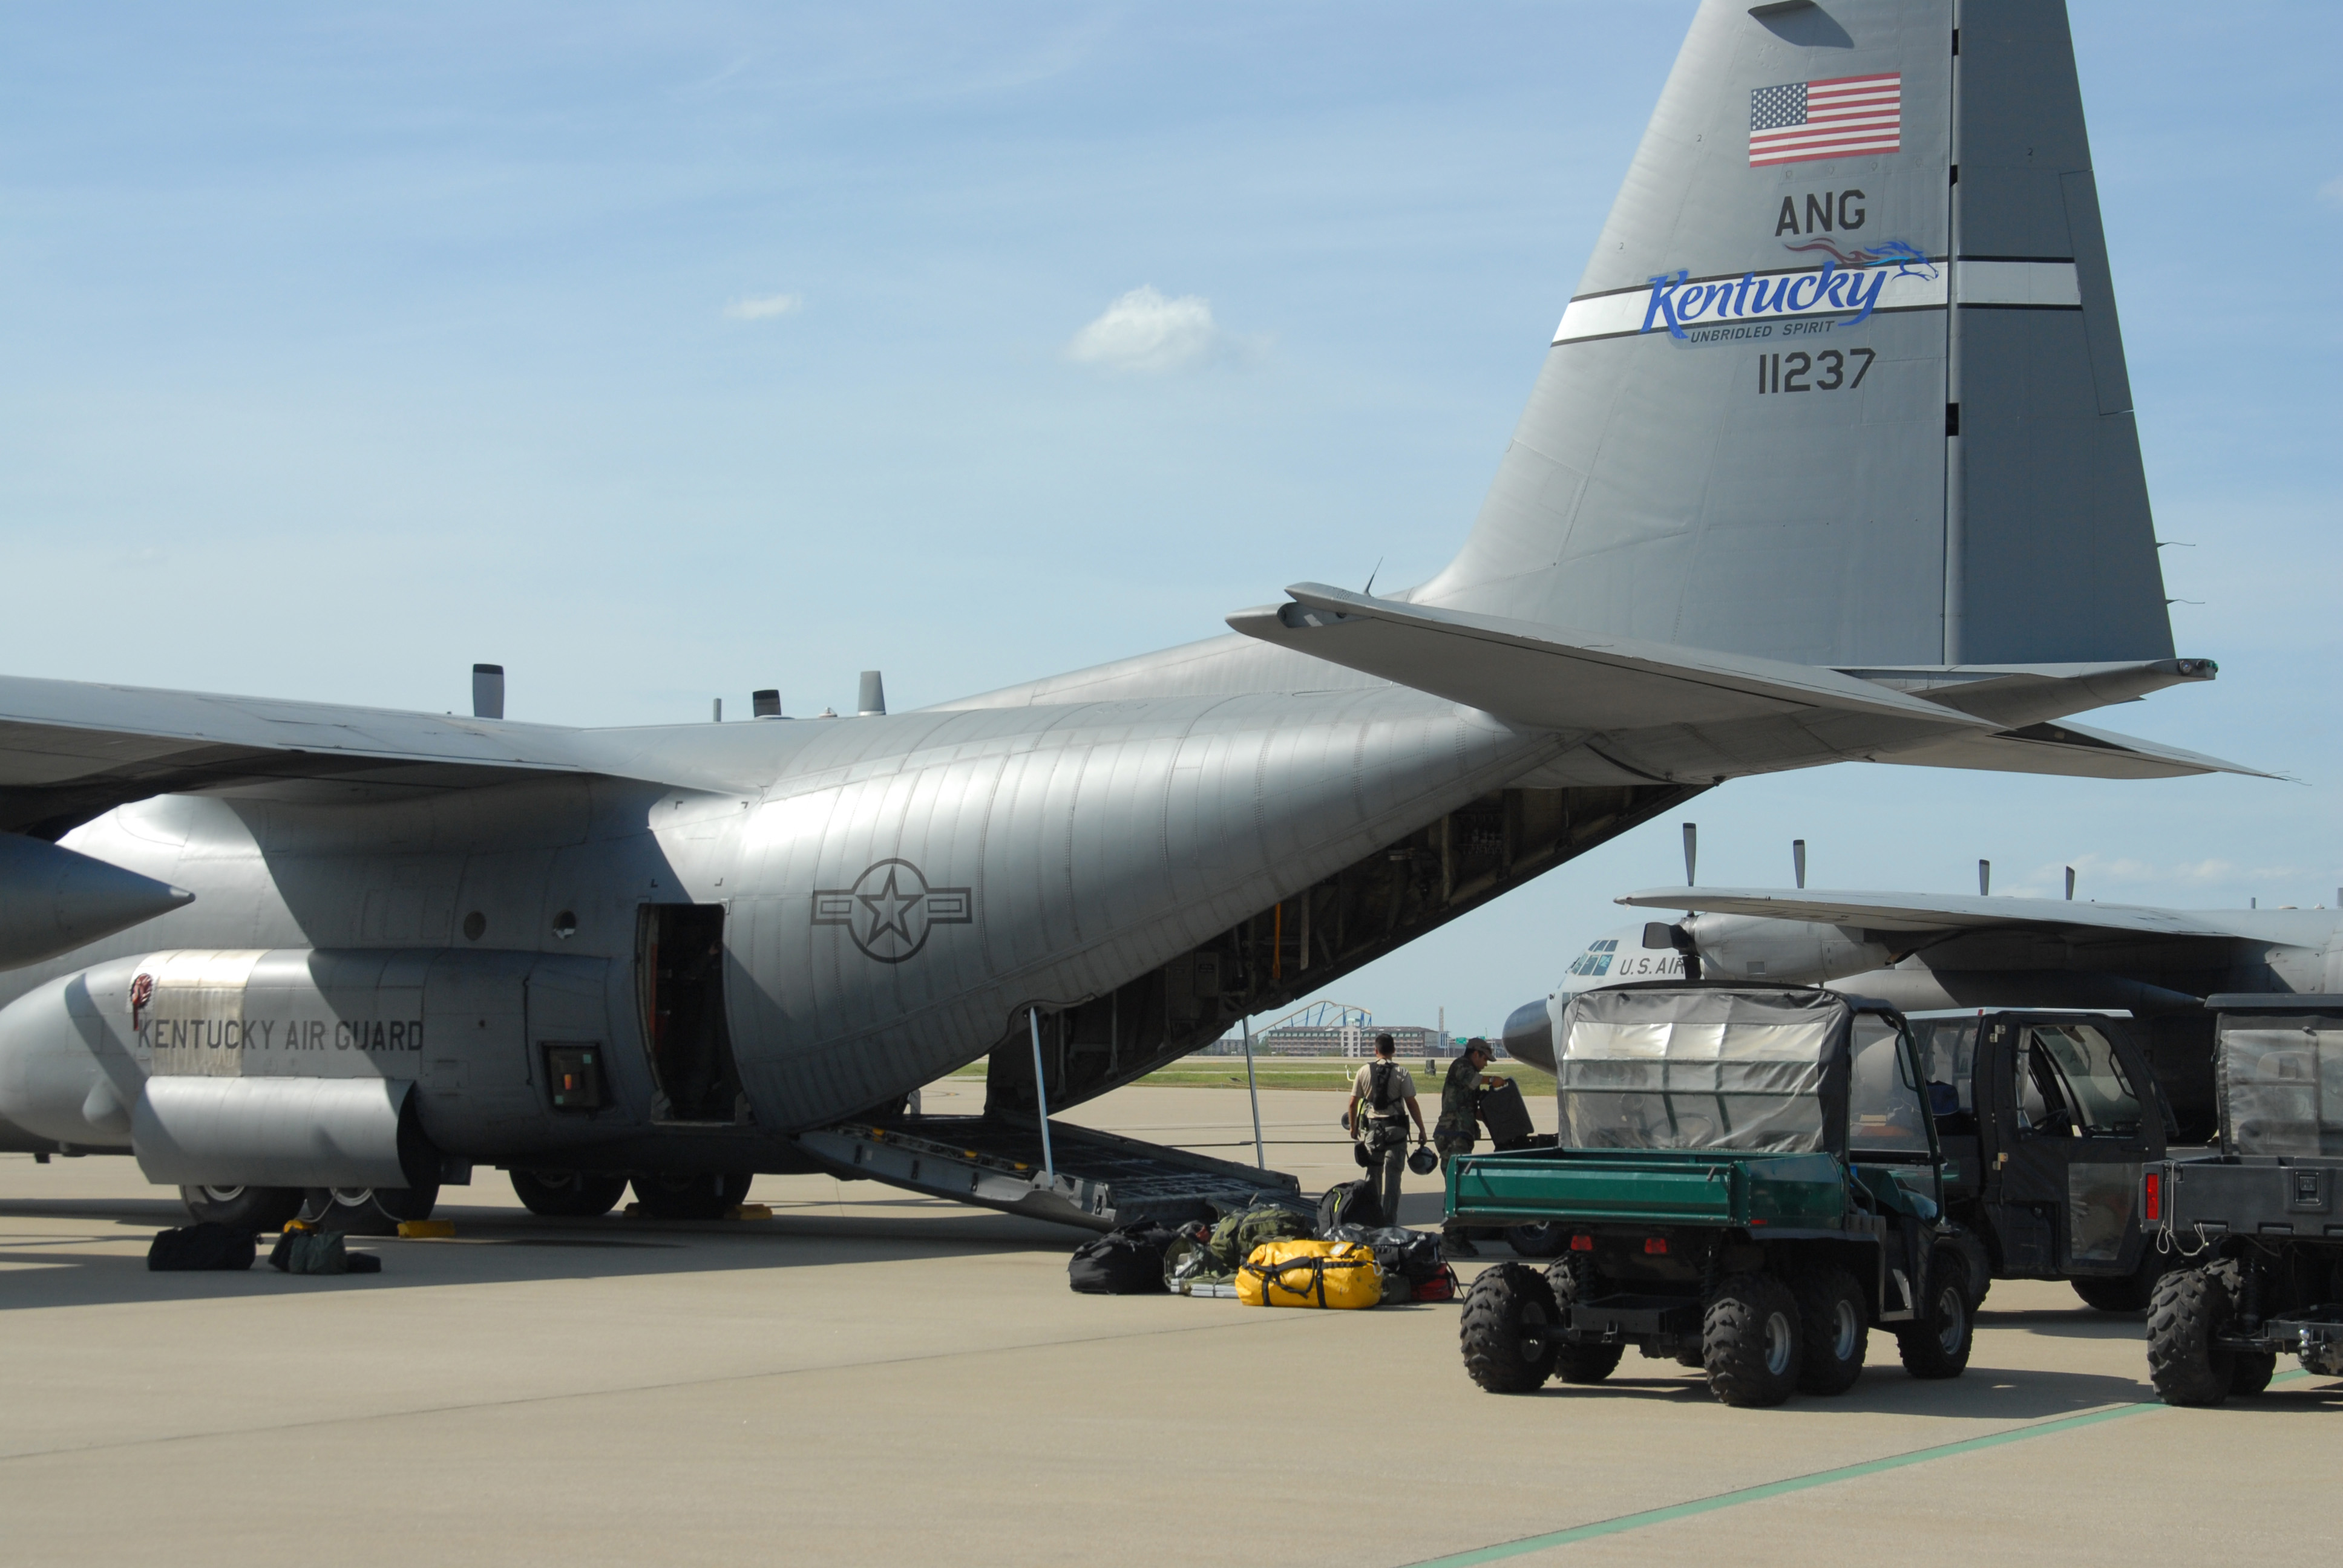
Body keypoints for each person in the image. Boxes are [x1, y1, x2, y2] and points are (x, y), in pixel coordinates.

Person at [1345, 1033, 1425, 1227]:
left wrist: (1354, 1127)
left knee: (1373, 1176)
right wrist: (1422, 1130)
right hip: (1396, 1130)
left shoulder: (1364, 1071)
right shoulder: (1401, 1072)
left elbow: (1353, 1102)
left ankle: (1372, 1220)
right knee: (1393, 1178)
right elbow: (1411, 1103)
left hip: (1373, 1131)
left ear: (1376, 1050)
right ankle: (1389, 1223)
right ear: (1394, 1050)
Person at [1435, 1037, 1500, 1257]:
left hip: (1460, 1136)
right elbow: (1474, 1080)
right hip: (1452, 1136)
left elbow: (1472, 1107)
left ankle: (1459, 1239)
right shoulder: (1461, 1066)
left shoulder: (1467, 1073)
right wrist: (1493, 1080)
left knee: (1461, 1189)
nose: (1486, 1064)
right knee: (1456, 1189)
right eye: (1485, 1059)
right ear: (1475, 1054)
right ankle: (1450, 1241)